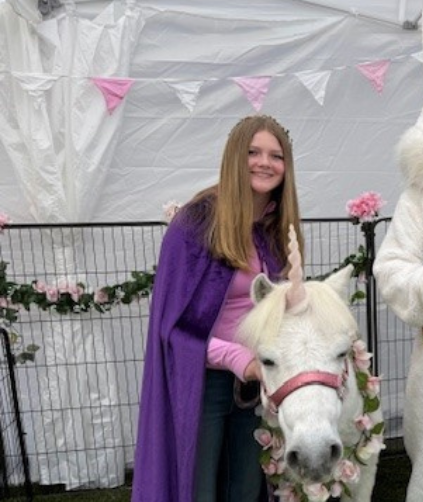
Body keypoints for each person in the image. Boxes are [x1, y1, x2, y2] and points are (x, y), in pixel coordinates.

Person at [132, 115, 302, 502]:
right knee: (199, 489)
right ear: (234, 158)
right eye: (253, 152)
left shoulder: (276, 230)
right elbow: (171, 329)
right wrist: (239, 359)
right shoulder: (196, 224)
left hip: (256, 386)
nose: (265, 162)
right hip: (203, 384)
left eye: (276, 156)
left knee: (245, 488)